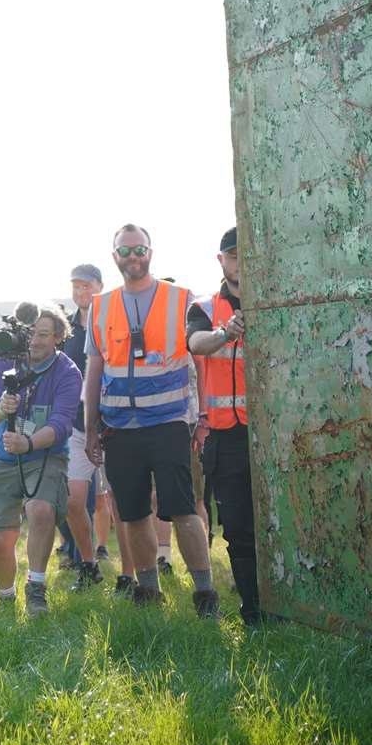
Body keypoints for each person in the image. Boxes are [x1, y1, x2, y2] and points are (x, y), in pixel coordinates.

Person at [83, 225, 220, 617]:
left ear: (150, 252)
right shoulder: (101, 305)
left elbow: (199, 361)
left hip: (168, 423)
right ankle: (148, 590)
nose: (133, 257)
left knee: (183, 509)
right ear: (114, 257)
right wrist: (90, 425)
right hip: (119, 428)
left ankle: (205, 594)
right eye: (125, 251)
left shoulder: (181, 299)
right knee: (133, 512)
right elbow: (95, 369)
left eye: (139, 249)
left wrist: (203, 414)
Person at [0, 306, 81, 615]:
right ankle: (5, 596)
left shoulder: (68, 372)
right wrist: (1, 409)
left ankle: (36, 588)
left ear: (59, 337)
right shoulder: (3, 358)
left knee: (41, 509)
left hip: (43, 453)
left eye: (44, 334)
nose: (35, 340)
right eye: (30, 333)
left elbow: (61, 424)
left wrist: (29, 442)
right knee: (1, 539)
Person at [187, 227, 260, 625]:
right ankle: (253, 612)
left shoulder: (274, 299)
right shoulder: (202, 306)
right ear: (222, 261)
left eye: (245, 254)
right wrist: (224, 333)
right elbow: (195, 343)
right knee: (238, 527)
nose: (239, 262)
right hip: (227, 437)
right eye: (233, 256)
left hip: (271, 435)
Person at [57, 264, 109, 591]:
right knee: (74, 502)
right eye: (76, 287)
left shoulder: (113, 319)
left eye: (86, 286)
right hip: (76, 425)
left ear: (100, 286)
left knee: (115, 503)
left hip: (114, 423)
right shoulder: (67, 329)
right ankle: (86, 566)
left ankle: (134, 577)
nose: (81, 293)